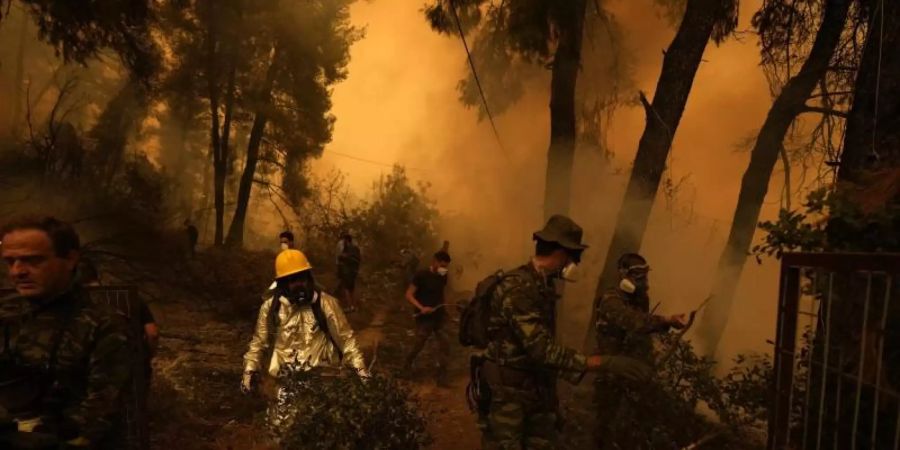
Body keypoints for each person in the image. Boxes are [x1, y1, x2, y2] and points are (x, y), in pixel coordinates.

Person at [477, 215, 652, 449]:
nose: (574, 264)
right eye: (573, 256)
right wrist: (603, 362)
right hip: (507, 394)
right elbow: (542, 350)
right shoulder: (518, 289)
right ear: (560, 253)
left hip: (532, 387)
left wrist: (551, 402)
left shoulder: (542, 284)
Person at [0, 216, 132, 448]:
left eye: (33, 261)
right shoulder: (6, 312)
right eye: (10, 261)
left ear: (70, 259)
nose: (17, 271)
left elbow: (103, 411)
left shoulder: (103, 323)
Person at [242, 249, 368, 427]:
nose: (299, 283)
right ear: (283, 283)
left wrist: (361, 372)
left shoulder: (326, 303)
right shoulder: (271, 308)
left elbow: (346, 340)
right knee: (283, 436)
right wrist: (249, 371)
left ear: (309, 277)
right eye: (293, 280)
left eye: (302, 277)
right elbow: (258, 342)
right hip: (286, 387)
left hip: (323, 384)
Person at [594, 252, 688, 449]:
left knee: (629, 427)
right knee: (604, 425)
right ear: (624, 276)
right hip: (610, 368)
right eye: (638, 276)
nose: (643, 280)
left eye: (645, 275)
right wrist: (665, 320)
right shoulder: (611, 299)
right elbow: (633, 321)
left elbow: (642, 331)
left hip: (631, 369)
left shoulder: (640, 300)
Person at [402, 250, 452, 386]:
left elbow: (441, 292)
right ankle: (406, 366)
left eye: (446, 266)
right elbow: (409, 294)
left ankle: (442, 377)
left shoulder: (443, 275)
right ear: (434, 261)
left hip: (439, 316)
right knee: (419, 343)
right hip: (424, 317)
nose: (444, 269)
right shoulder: (421, 275)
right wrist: (421, 308)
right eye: (442, 265)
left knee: (445, 343)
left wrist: (445, 309)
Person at [336, 233, 361, 312]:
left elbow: (343, 257)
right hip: (354, 271)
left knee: (346, 289)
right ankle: (354, 306)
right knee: (352, 289)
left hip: (348, 271)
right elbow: (358, 259)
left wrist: (341, 257)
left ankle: (350, 306)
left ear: (346, 240)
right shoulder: (356, 248)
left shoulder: (348, 248)